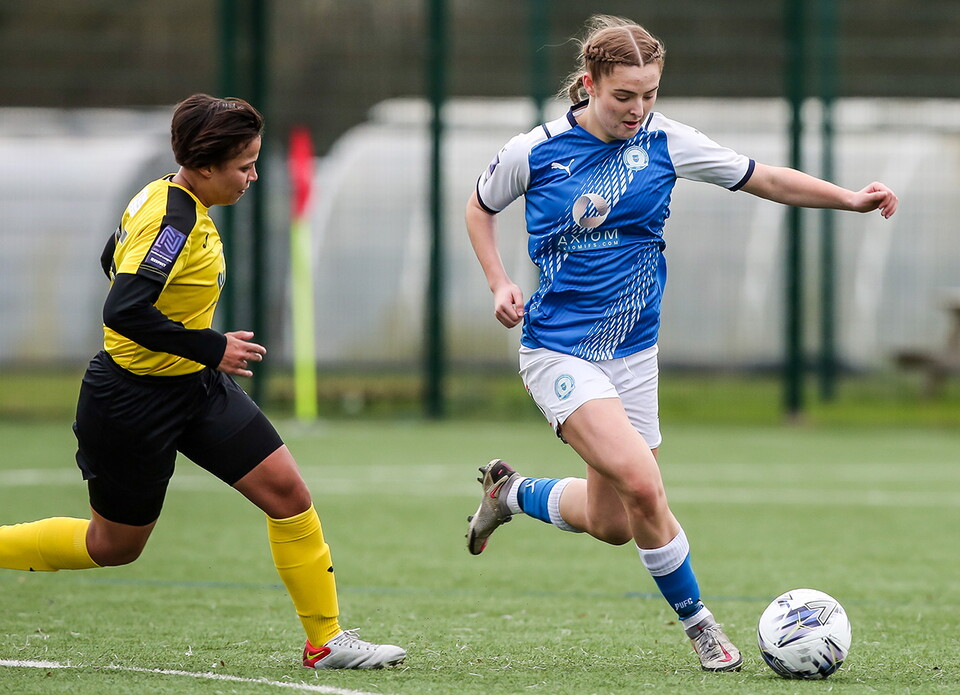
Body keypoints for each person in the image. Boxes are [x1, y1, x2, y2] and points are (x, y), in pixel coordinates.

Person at [464, 16, 897, 673]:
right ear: (589, 85)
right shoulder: (537, 150)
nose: (639, 109)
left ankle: (510, 493)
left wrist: (850, 199)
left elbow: (766, 179)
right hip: (559, 351)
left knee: (614, 521)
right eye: (623, 96)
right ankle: (703, 629)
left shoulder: (669, 142)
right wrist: (498, 282)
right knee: (643, 482)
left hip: (634, 356)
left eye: (650, 93)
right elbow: (479, 206)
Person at [0, 94, 405, 671]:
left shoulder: (176, 199)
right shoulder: (173, 216)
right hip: (130, 401)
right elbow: (123, 308)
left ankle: (326, 641)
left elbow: (111, 257)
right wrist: (211, 344)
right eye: (244, 166)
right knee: (112, 547)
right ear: (206, 166)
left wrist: (197, 349)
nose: (253, 176)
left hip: (194, 390)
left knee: (288, 494)